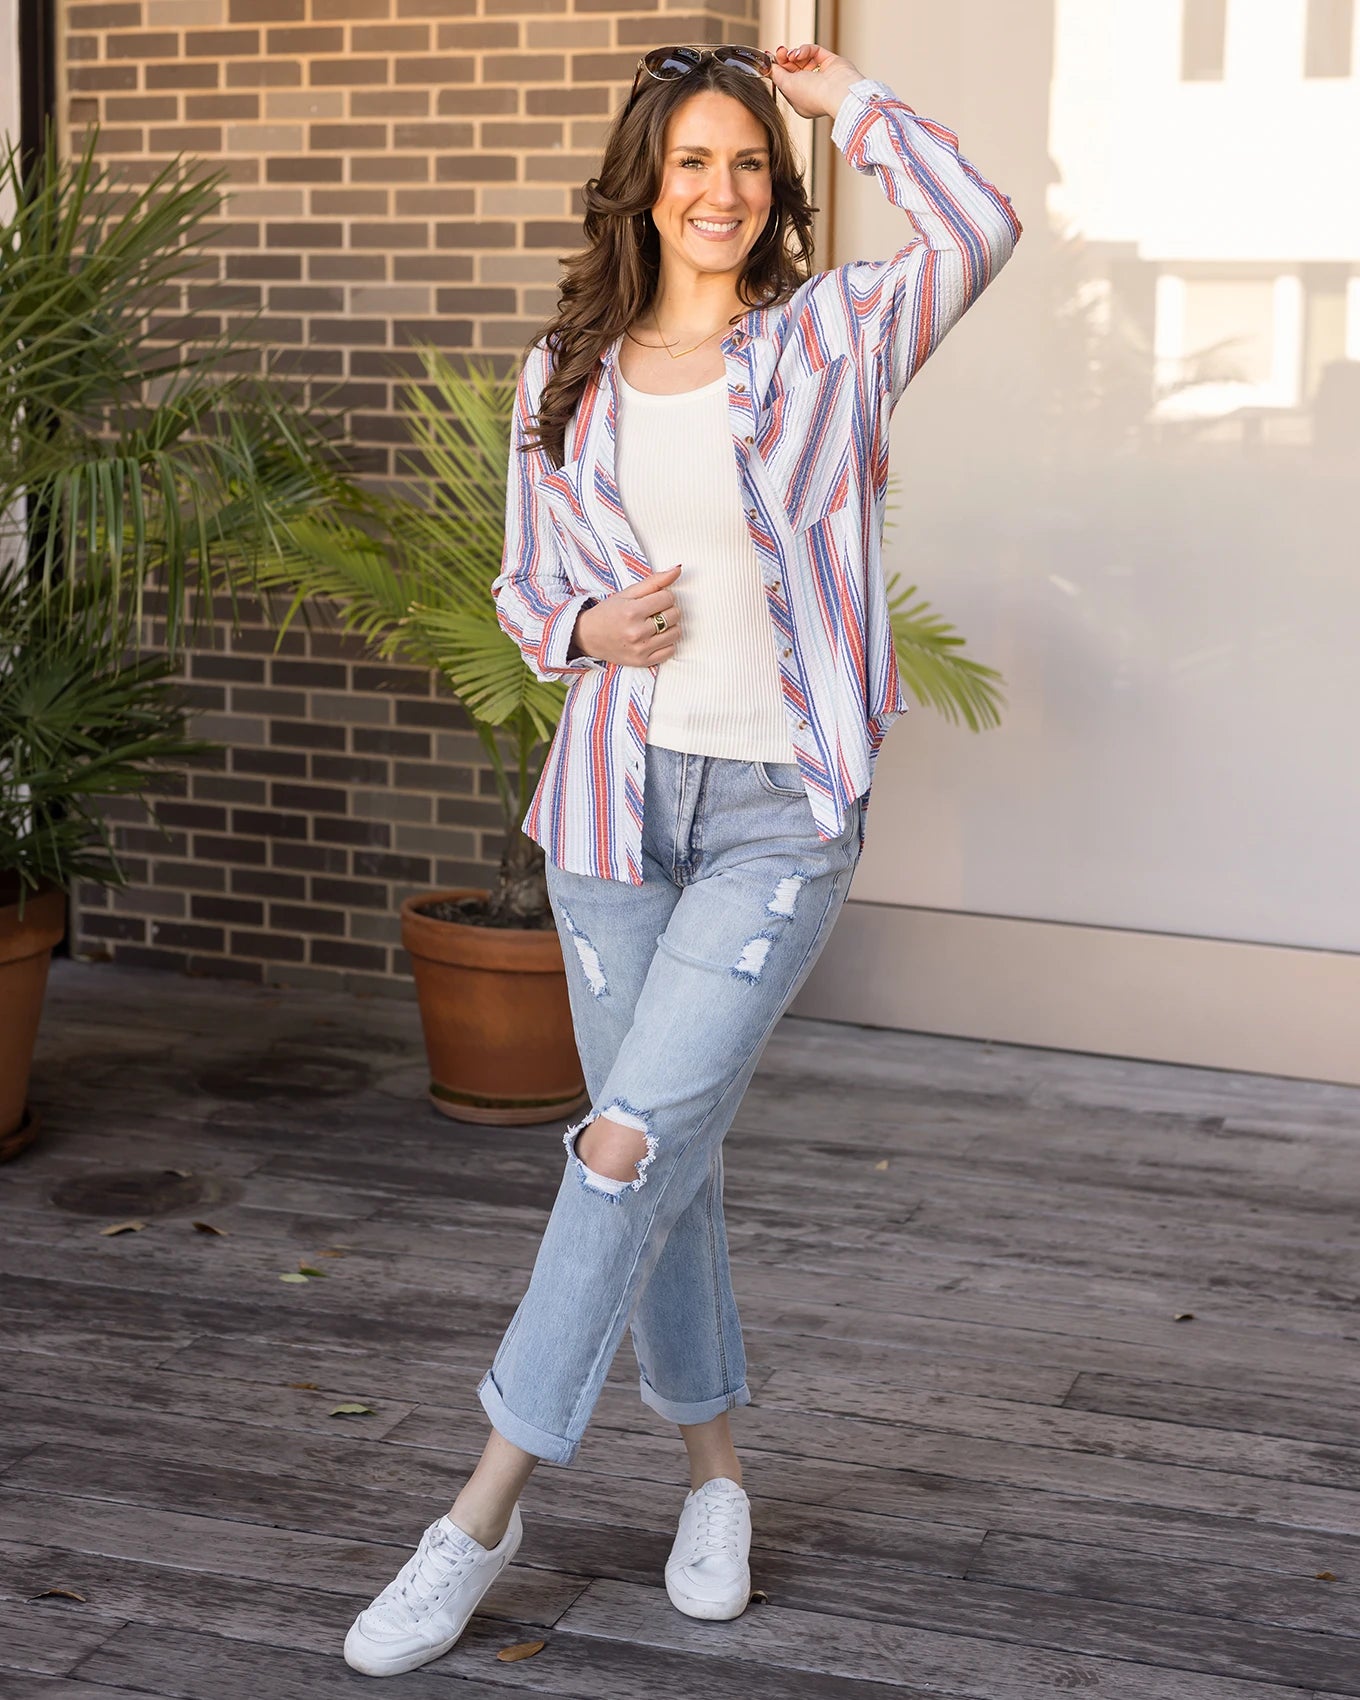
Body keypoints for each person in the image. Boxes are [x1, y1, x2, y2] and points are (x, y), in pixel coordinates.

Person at [344, 38, 1021, 1679]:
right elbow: (523, 597)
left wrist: (841, 98)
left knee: (626, 1147)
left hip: (778, 817)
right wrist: (585, 622)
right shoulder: (558, 378)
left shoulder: (835, 339)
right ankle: (714, 1477)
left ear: (776, 192)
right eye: (691, 162)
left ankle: (478, 1514)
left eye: (747, 166)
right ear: (642, 184)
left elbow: (979, 226)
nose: (721, 191)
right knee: (674, 1157)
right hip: (612, 820)